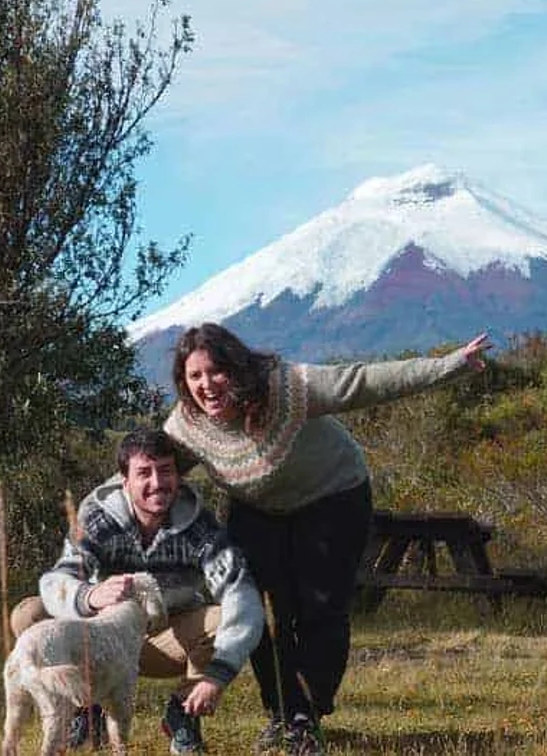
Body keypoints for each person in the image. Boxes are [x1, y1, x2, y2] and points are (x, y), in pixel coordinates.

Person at [163, 323, 492, 755]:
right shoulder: (186, 426)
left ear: (238, 368)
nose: (207, 384)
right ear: (184, 383)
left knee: (320, 606)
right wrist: (95, 520)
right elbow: (143, 469)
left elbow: (363, 382)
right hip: (258, 508)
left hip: (333, 496)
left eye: (216, 371)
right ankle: (282, 713)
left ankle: (307, 716)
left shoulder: (285, 388)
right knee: (253, 610)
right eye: (195, 376)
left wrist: (451, 365)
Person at [9, 427, 264, 755]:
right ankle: (85, 711)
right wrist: (89, 595)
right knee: (30, 614)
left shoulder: (200, 526)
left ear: (179, 476)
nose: (157, 483)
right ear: (124, 480)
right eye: (144, 473)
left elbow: (241, 594)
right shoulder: (97, 517)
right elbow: (57, 579)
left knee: (225, 617)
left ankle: (182, 716)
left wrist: (218, 674)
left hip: (167, 636)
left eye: (166, 471)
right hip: (99, 639)